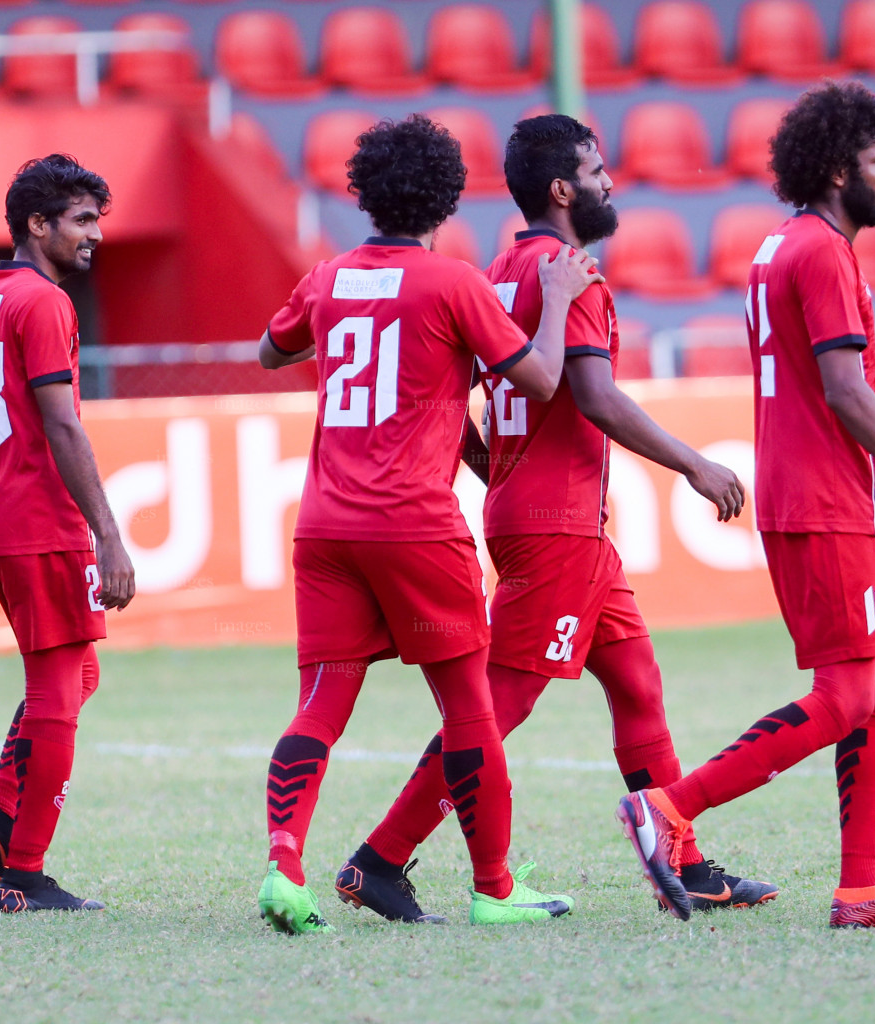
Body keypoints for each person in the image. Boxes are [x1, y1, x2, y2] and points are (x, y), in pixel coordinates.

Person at [336, 114, 778, 924]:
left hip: (549, 516)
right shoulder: (566, 271)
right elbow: (593, 395)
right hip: (555, 523)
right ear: (562, 188)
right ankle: (380, 857)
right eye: (597, 168)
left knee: (638, 685)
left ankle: (685, 858)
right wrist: (694, 463)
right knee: (494, 709)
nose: (610, 181)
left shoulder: (496, 270)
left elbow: (455, 395)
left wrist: (491, 471)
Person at [616, 82, 875, 927]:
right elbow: (845, 392)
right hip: (820, 499)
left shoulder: (780, 245)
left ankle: (860, 888)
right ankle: (668, 808)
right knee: (845, 697)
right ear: (833, 169)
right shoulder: (821, 253)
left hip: (813, 494)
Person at [254, 114, 598, 933]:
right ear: (447, 197)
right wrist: (553, 299)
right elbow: (545, 380)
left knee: (319, 707)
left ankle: (284, 868)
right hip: (413, 525)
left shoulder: (328, 277)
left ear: (365, 193)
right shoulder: (452, 284)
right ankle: (493, 890)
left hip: (326, 526)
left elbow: (271, 353)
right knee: (470, 712)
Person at [0, 154, 135, 913]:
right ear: (36, 224)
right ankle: (24, 872)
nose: (94, 236)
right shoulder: (45, 303)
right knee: (58, 686)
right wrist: (109, 537)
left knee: (73, 676)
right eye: (82, 221)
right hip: (40, 521)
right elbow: (61, 420)